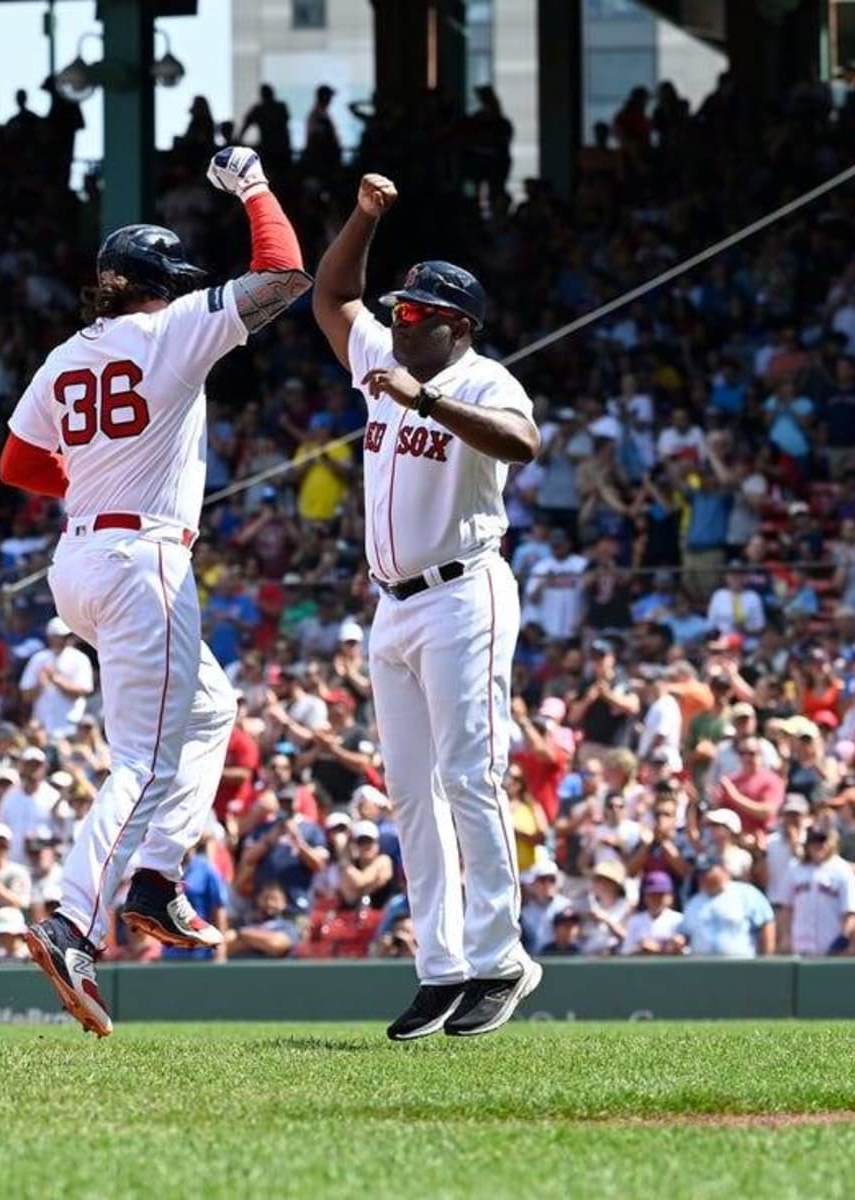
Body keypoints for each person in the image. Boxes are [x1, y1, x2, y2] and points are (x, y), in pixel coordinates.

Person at [0, 145, 309, 1036]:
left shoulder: (66, 354)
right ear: (144, 285)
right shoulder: (169, 330)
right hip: (143, 567)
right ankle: (73, 923)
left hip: (81, 564)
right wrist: (251, 183)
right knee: (139, 758)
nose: (177, 290)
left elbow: (17, 462)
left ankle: (154, 882)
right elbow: (282, 274)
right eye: (166, 279)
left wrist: (98, 485)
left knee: (211, 710)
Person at [313, 172, 543, 1040]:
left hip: (462, 591)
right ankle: (440, 968)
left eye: (420, 315)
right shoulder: (381, 359)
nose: (401, 321)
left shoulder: (482, 380)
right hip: (393, 605)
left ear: (460, 326)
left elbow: (523, 443)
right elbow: (333, 295)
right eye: (401, 311)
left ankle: (500, 960)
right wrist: (365, 217)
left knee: (468, 776)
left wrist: (431, 401)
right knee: (409, 790)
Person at [777, 828, 855, 955]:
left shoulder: (842, 869)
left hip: (831, 945)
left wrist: (843, 939)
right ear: (807, 844)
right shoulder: (795, 868)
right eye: (813, 841)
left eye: (822, 841)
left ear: (830, 843)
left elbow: (851, 911)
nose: (817, 846)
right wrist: (785, 937)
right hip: (800, 945)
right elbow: (786, 907)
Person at [679, 861, 775, 958]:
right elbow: (686, 936)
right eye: (700, 874)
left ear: (723, 870)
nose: (704, 876)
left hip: (741, 967)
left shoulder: (746, 893)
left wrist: (765, 959)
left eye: (708, 871)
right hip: (701, 968)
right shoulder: (693, 903)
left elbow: (766, 924)